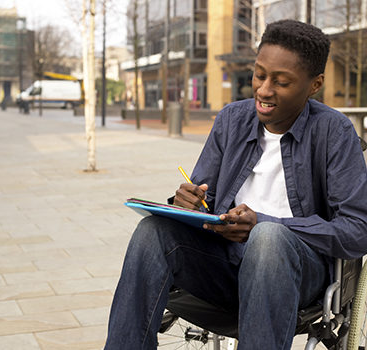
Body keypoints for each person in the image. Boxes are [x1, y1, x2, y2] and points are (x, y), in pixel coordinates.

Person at [104, 19, 367, 350]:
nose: (264, 90)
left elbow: (358, 230)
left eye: (281, 82)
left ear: (314, 85)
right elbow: (205, 197)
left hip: (297, 274)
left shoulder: (334, 133)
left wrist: (264, 223)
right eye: (259, 75)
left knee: (267, 238)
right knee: (152, 232)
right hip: (223, 265)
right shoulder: (231, 120)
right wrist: (186, 202)